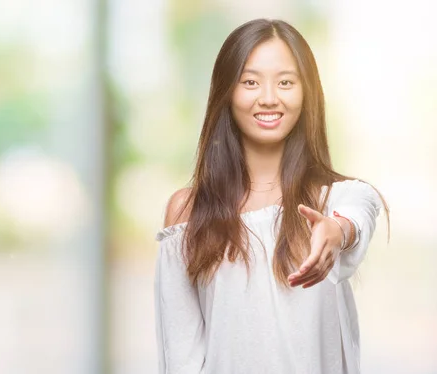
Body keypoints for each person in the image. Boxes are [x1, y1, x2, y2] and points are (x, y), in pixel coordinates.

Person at [153, 18, 390, 374]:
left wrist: (338, 231)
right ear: (226, 91)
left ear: (306, 92)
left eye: (285, 82)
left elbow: (362, 208)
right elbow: (181, 355)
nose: (268, 98)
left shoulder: (332, 200)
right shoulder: (188, 210)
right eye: (250, 82)